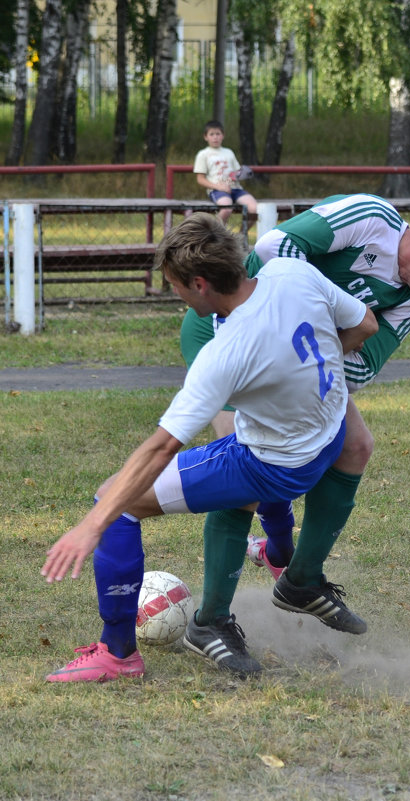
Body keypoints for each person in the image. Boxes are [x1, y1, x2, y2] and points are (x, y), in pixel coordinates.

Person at [40, 212, 378, 682]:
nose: (172, 295)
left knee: (115, 501)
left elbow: (160, 448)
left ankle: (117, 654)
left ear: (200, 284)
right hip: (328, 437)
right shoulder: (291, 271)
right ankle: (229, 607)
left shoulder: (227, 352)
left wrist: (90, 525)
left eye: (174, 286)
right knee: (230, 484)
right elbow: (365, 324)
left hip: (272, 465)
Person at [179, 194, 410, 598]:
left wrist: (303, 347)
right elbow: (276, 247)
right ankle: (225, 607)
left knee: (356, 446)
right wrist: (322, 318)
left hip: (302, 367)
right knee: (246, 470)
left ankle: (301, 577)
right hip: (226, 328)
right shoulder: (372, 218)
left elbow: (362, 370)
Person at [193, 119, 257, 227]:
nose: (215, 137)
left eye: (218, 134)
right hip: (217, 190)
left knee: (254, 208)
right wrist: (219, 187)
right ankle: (216, 235)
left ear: (223, 135)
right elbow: (200, 179)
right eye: (212, 134)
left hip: (235, 188)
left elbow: (237, 172)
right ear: (205, 137)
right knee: (226, 208)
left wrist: (241, 174)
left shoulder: (229, 152)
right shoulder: (203, 154)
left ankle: (240, 237)